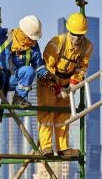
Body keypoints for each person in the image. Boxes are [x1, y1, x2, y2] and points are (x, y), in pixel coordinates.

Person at [37, 12, 93, 157]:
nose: (77, 39)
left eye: (80, 35)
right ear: (69, 31)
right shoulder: (57, 43)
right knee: (47, 111)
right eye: (74, 35)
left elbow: (81, 68)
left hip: (67, 82)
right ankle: (46, 147)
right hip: (49, 81)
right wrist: (57, 88)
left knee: (63, 114)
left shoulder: (87, 47)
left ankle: (62, 148)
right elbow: (48, 68)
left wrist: (71, 86)